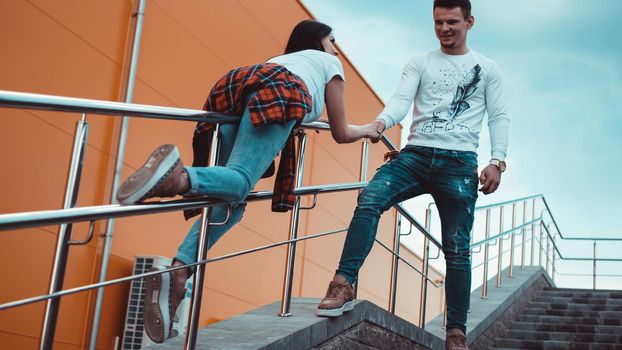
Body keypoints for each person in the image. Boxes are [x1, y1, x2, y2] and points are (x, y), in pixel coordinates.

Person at [116, 19, 383, 343]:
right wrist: (368, 128)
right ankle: (178, 179)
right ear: (317, 41)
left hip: (236, 83)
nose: (335, 46)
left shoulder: (280, 60)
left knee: (231, 202)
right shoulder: (329, 64)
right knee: (241, 181)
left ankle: (179, 271)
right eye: (332, 39)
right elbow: (341, 131)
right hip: (278, 91)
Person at [316, 1, 509, 349]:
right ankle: (343, 282)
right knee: (370, 199)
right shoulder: (419, 62)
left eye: (452, 22)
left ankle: (455, 332)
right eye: (438, 22)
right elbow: (400, 101)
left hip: (460, 162)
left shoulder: (487, 68)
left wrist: (497, 161)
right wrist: (381, 123)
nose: (444, 29)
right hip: (415, 155)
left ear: (469, 21)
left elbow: (498, 117)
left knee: (457, 249)